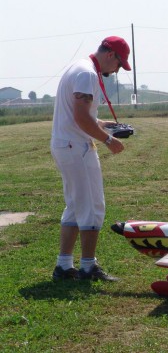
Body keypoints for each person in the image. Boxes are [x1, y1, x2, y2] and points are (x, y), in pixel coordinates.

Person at [51, 36, 131, 281]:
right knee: (93, 207)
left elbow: (83, 116)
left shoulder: (79, 68)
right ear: (110, 55)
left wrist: (105, 124)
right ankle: (88, 267)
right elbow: (81, 118)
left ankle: (64, 266)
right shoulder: (87, 74)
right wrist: (108, 139)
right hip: (77, 146)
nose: (117, 70)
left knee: (75, 206)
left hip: (66, 144)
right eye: (119, 64)